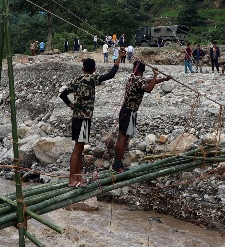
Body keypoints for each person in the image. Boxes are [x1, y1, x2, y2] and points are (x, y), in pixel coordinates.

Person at [59, 57, 120, 187]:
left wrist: (70, 105)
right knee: (77, 149)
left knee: (80, 148)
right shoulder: (91, 79)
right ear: (94, 69)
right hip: (83, 119)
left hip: (78, 118)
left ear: (82, 68)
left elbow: (62, 94)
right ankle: (72, 180)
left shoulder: (76, 80)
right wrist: (119, 57)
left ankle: (78, 177)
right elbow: (110, 75)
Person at [112, 61, 172, 172]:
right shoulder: (139, 80)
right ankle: (117, 165)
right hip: (129, 112)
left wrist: (164, 79)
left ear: (135, 68)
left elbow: (149, 82)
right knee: (123, 138)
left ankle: (117, 163)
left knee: (122, 137)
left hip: (126, 111)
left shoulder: (133, 79)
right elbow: (148, 88)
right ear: (143, 70)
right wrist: (155, 75)